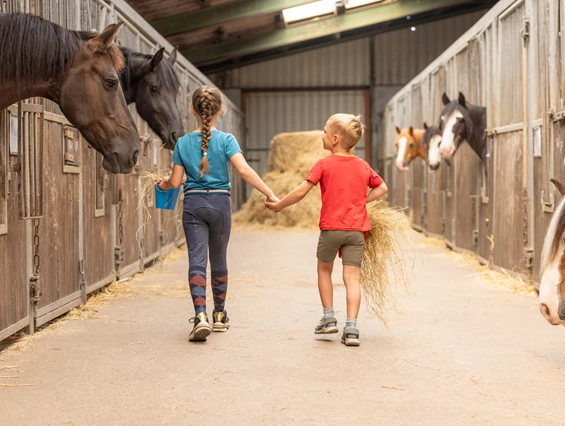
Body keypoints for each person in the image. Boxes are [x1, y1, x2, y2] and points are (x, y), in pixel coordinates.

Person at [159, 86, 279, 342]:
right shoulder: (227, 140)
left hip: (193, 206)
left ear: (192, 110)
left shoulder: (181, 143)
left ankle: (200, 315)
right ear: (221, 111)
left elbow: (175, 180)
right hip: (220, 206)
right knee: (219, 259)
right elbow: (245, 171)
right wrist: (270, 194)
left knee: (197, 260)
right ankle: (220, 315)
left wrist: (163, 184)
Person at [265, 114, 388, 346]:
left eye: (323, 131)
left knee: (324, 270)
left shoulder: (323, 164)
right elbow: (382, 188)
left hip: (331, 228)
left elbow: (301, 192)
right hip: (356, 230)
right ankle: (351, 329)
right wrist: (363, 202)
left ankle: (329, 317)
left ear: (334, 139)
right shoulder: (362, 166)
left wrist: (279, 206)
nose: (321, 135)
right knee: (352, 278)